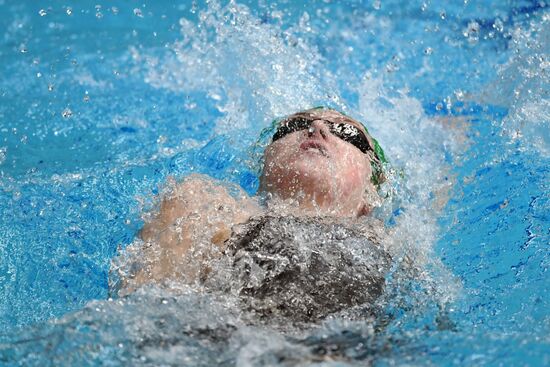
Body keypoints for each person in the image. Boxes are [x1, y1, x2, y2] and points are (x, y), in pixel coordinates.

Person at [111, 107, 392, 322]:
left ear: (371, 191)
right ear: (265, 164)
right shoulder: (206, 204)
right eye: (294, 125)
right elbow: (148, 308)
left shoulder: (393, 241)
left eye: (347, 132)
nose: (316, 127)